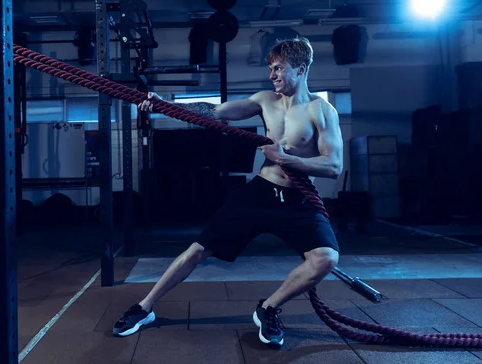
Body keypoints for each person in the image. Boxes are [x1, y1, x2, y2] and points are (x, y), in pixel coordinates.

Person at [112, 37, 343, 346]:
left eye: (278, 69)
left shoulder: (321, 110)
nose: (272, 75)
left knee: (326, 258)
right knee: (197, 249)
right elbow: (216, 111)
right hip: (260, 192)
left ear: (300, 70)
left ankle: (268, 308)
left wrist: (286, 159)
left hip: (297, 199)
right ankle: (144, 307)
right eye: (270, 69)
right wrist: (164, 105)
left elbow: (333, 165)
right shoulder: (265, 101)